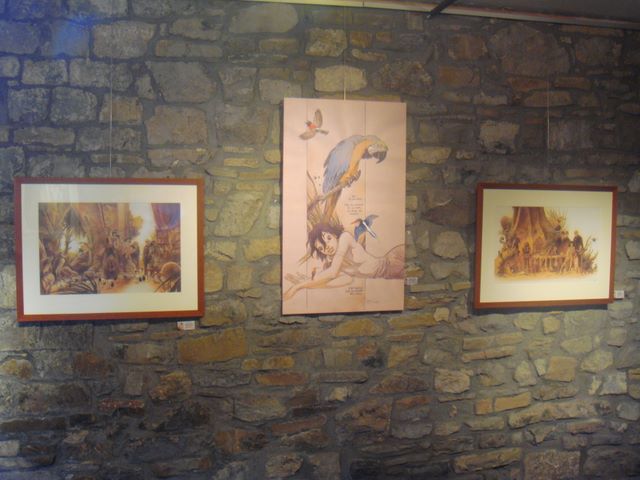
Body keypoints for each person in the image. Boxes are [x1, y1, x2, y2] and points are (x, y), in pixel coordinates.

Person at [283, 222, 404, 300]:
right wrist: (308, 283)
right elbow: (332, 280)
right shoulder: (334, 263)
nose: (327, 247)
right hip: (387, 274)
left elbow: (331, 273)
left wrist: (297, 287)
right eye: (321, 248)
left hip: (392, 261)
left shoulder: (345, 238)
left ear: (335, 235)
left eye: (328, 238)